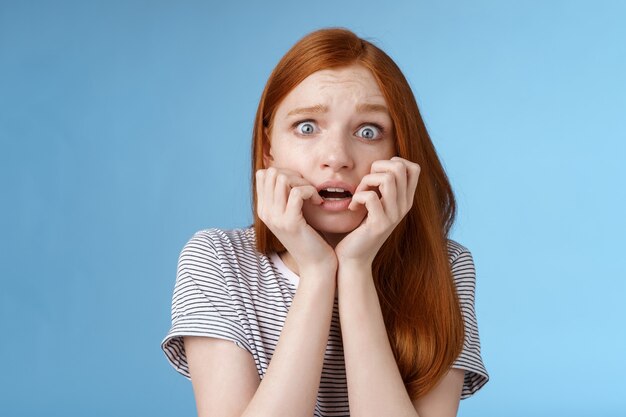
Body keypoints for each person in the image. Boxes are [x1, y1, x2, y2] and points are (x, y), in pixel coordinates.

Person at [161, 27, 489, 417]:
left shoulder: (446, 267)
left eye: (369, 131)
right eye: (307, 127)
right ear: (268, 148)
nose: (336, 157)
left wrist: (355, 268)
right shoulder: (216, 260)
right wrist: (317, 272)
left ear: (398, 152)